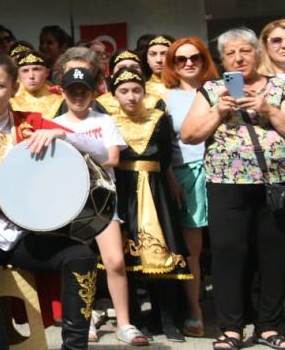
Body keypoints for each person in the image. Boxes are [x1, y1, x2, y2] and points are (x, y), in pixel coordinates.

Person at [0, 53, 108, 350]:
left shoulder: (31, 123)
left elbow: (102, 151)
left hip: (25, 228)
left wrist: (61, 134)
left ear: (14, 88)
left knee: (81, 255)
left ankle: (74, 347)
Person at [180, 28, 285, 350]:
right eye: (230, 54)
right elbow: (189, 135)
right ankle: (231, 328)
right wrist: (218, 112)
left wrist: (268, 110)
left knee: (275, 256)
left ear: (257, 53)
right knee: (228, 255)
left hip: (274, 184)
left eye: (245, 52)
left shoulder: (279, 86)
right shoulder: (211, 89)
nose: (238, 59)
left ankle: (269, 326)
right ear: (222, 58)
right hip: (227, 185)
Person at [108, 65, 191, 342]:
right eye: (123, 91)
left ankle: (168, 320)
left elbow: (165, 156)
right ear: (114, 94)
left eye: (136, 90)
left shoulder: (158, 118)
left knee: (164, 257)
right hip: (125, 192)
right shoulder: (109, 121)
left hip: (156, 194)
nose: (130, 96)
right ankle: (134, 320)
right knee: (127, 259)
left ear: (144, 92)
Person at [52, 63, 133, 344]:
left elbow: (113, 159)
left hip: (102, 201)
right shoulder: (52, 125)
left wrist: (77, 148)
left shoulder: (104, 121)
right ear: (62, 93)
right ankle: (82, 322)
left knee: (115, 261)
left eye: (83, 91)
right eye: (72, 90)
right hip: (69, 202)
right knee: (76, 262)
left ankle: (124, 322)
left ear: (93, 94)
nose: (77, 96)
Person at [161, 37, 217, 338]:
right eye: (179, 60)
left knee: (228, 245)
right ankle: (195, 311)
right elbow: (164, 146)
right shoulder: (165, 97)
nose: (188, 63)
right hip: (184, 175)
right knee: (192, 250)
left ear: (204, 59)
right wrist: (171, 178)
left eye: (194, 57)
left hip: (222, 172)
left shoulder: (220, 89)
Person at [10, 49, 61, 119]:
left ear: (47, 72)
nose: (31, 76)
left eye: (36, 69)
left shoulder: (60, 101)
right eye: (25, 71)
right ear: (18, 74)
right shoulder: (9, 103)